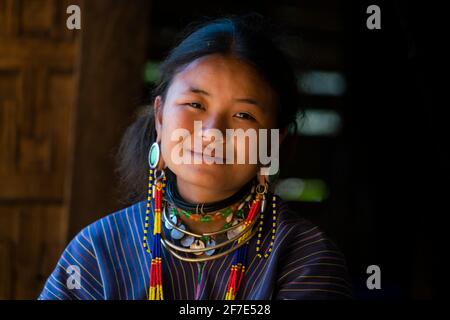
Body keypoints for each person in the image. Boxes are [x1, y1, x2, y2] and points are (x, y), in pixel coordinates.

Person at [39, 14, 352, 300]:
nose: (212, 131)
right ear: (160, 118)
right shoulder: (99, 250)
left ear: (273, 142)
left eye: (243, 114)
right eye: (195, 105)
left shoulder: (304, 258)